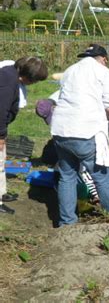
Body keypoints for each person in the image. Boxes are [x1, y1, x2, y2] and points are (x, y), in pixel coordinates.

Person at [51, 44, 109, 226]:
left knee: (67, 176)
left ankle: (67, 222)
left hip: (61, 130)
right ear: (104, 59)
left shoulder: (69, 71)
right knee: (101, 175)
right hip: (85, 131)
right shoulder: (103, 72)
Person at [0, 57, 48, 214]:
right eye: (35, 81)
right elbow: (1, 110)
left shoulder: (11, 74)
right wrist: (1, 136)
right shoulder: (8, 80)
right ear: (29, 77)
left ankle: (1, 194)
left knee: (2, 163)